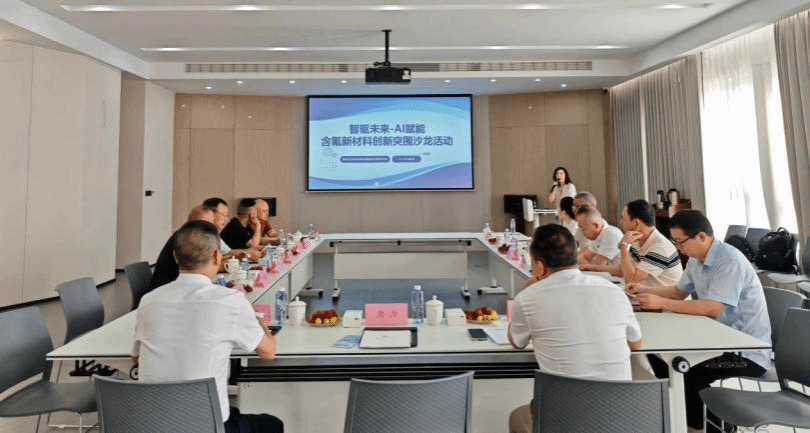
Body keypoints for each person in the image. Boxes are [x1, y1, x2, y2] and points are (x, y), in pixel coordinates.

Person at [132, 220, 283, 433]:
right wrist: (262, 326)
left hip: (153, 425)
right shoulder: (230, 301)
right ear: (216, 256)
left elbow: (137, 358)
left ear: (176, 257)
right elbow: (268, 353)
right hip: (208, 426)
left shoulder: (149, 300)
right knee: (273, 424)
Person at [627, 210, 770, 433]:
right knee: (659, 357)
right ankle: (690, 419)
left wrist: (660, 302)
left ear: (702, 236)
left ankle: (710, 427)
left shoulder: (729, 261)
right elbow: (677, 292)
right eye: (675, 241)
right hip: (717, 339)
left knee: (686, 371)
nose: (678, 248)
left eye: (680, 241)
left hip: (745, 351)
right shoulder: (696, 259)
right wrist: (645, 290)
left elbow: (713, 308)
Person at [508, 224, 642, 433]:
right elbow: (635, 343)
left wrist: (526, 291)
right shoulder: (614, 291)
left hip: (567, 419)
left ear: (540, 266)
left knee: (518, 418)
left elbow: (516, 341)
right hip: (620, 417)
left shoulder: (527, 298)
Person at [581, 199, 683, 287]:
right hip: (648, 296)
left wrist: (623, 245)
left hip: (666, 302)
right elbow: (621, 270)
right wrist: (590, 267)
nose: (621, 222)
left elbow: (632, 279)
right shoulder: (638, 241)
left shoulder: (660, 247)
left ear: (636, 223)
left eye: (623, 218)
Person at [148, 205, 215, 291]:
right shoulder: (186, 240)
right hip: (166, 291)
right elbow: (201, 268)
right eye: (205, 223)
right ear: (192, 222)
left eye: (211, 223)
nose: (209, 228)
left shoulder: (183, 234)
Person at [203, 197, 261, 262]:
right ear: (210, 214)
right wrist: (245, 254)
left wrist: (248, 252)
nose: (226, 219)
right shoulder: (203, 234)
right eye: (223, 215)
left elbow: (229, 252)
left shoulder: (213, 233)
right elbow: (210, 261)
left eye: (227, 215)